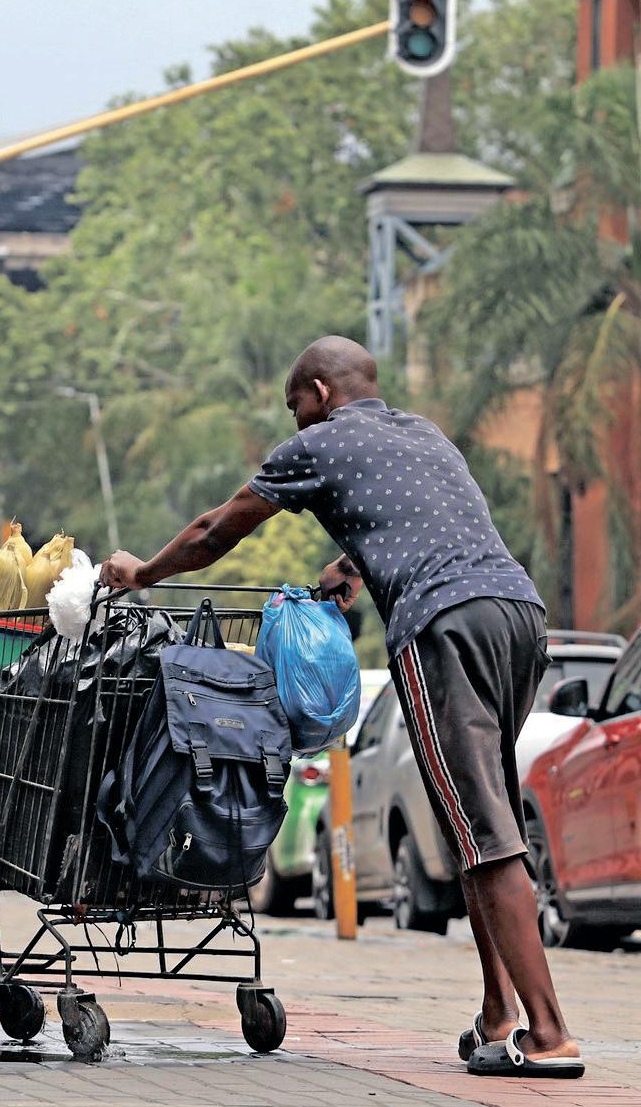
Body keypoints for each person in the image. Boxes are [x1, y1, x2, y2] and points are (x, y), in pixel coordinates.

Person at [101, 335, 584, 1080]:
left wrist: (144, 570)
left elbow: (213, 531)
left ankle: (549, 1032)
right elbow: (433, 518)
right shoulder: (423, 434)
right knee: (474, 821)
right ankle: (498, 1014)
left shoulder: (320, 443)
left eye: (295, 404)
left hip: (441, 625)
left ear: (320, 392)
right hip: (518, 615)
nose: (296, 422)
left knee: (484, 829)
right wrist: (354, 562)